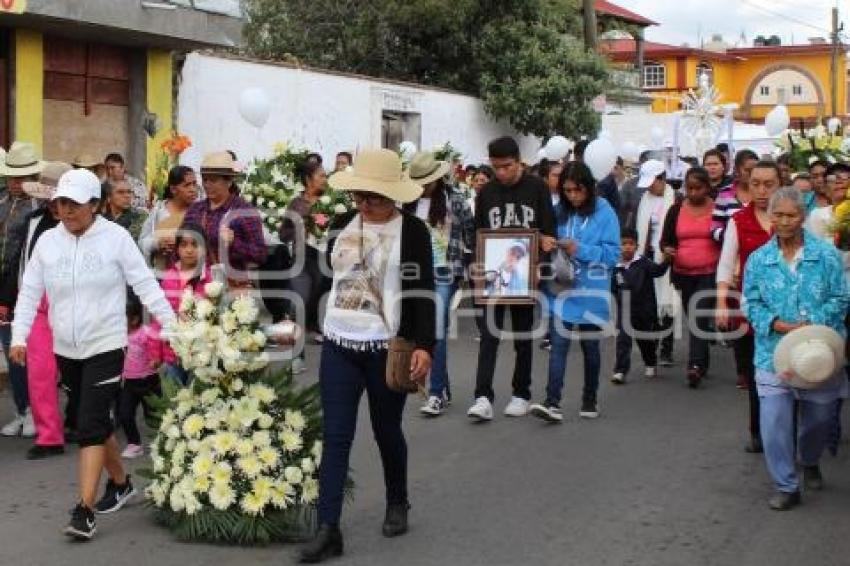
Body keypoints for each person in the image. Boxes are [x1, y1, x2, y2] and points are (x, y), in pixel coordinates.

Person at [9, 169, 176, 540]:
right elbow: (30, 292)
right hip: (65, 348)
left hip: (105, 344)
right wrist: (19, 336)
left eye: (74, 204)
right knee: (95, 424)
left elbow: (145, 285)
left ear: (96, 205)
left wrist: (172, 327)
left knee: (88, 425)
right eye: (61, 204)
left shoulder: (116, 239)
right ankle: (121, 483)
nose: (66, 211)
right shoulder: (48, 243)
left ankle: (84, 509)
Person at [298, 149, 434, 563]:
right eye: (360, 196)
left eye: (374, 197)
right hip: (339, 344)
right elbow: (328, 278)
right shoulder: (342, 224)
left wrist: (425, 345)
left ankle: (398, 502)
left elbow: (423, 290)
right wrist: (296, 317)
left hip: (385, 347)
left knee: (386, 429)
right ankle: (328, 529)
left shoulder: (412, 231)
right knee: (336, 437)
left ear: (394, 196)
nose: (365, 205)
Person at [742, 186, 849, 510]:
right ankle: (786, 484)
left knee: (818, 419)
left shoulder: (825, 255)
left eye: (791, 215)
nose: (785, 221)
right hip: (772, 354)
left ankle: (810, 458)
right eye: (778, 215)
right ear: (771, 217)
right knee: (773, 421)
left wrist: (811, 323)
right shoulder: (759, 260)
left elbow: (841, 298)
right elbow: (750, 301)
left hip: (820, 353)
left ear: (803, 216)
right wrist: (775, 323)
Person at [467, 136, 556, 422]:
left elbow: (549, 232)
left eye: (506, 166)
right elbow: (478, 233)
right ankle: (482, 396)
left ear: (519, 161)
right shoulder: (486, 192)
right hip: (493, 274)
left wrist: (542, 254)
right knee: (489, 336)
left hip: (525, 275)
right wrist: (476, 267)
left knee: (522, 335)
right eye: (496, 168)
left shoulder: (538, 188)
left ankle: (521, 393)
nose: (501, 173)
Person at [529, 162, 620, 422]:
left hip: (593, 291)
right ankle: (552, 402)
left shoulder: (605, 213)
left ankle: (589, 399)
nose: (572, 196)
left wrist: (580, 250)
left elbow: (613, 255)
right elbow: (545, 239)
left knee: (591, 349)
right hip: (563, 289)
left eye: (576, 190)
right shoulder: (559, 212)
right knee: (558, 346)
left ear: (589, 188)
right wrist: (547, 242)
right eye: (566, 190)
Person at [0, 161, 70, 458]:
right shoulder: (32, 220)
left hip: (72, 302)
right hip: (36, 303)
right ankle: (49, 436)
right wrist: (8, 298)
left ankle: (88, 419)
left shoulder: (81, 222)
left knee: (75, 370)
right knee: (39, 370)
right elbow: (18, 261)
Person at [404, 152, 475, 417]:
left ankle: (436, 394)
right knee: (422, 329)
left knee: (437, 330)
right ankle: (441, 387)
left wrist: (469, 268)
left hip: (445, 271)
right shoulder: (406, 200)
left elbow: (472, 231)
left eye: (426, 180)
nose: (422, 186)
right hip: (413, 273)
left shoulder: (454, 199)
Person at [716, 161, 781, 452]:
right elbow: (726, 264)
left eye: (769, 184)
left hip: (790, 311)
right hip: (750, 310)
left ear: (781, 185)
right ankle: (759, 432)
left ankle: (789, 434)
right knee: (756, 375)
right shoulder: (738, 221)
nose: (762, 190)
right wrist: (720, 302)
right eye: (756, 183)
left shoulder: (790, 219)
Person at [661, 167, 720, 388]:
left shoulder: (717, 210)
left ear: (707, 188)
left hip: (710, 271)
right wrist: (667, 250)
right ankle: (702, 360)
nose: (693, 193)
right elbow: (666, 239)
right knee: (694, 316)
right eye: (689, 188)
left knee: (698, 315)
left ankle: (694, 365)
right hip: (683, 273)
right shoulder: (676, 210)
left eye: (698, 188)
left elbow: (724, 238)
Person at [0, 141, 42, 438]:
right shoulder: (1, 201)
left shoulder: (41, 211)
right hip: (1, 290)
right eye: (12, 176)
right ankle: (20, 410)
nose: (16, 183)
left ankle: (34, 411)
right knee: (8, 348)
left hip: (23, 288)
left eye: (22, 177)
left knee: (23, 351)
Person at [182, 151, 266, 287]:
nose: (207, 185)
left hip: (232, 287)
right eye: (205, 179)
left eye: (213, 180)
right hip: (197, 286)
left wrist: (234, 243)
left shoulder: (244, 211)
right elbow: (181, 245)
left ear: (229, 181)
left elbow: (260, 254)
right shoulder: (195, 210)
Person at [154, 225, 213, 386]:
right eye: (184, 244)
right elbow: (159, 317)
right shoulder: (170, 278)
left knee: (199, 397)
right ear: (177, 249)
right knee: (175, 399)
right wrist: (156, 352)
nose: (189, 250)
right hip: (173, 352)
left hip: (201, 352)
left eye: (195, 245)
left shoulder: (210, 278)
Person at [611, 227, 670, 384]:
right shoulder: (616, 267)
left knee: (644, 340)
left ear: (636, 246)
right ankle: (620, 370)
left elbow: (658, 272)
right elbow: (612, 287)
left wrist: (667, 260)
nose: (627, 247)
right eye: (624, 244)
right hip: (625, 310)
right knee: (623, 340)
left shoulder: (643, 263)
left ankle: (650, 362)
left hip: (644, 308)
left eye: (631, 243)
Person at [635, 159, 678, 366]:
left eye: (653, 182)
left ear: (662, 179)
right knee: (650, 301)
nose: (651, 187)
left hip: (669, 256)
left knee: (668, 300)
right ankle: (653, 341)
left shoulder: (675, 199)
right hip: (649, 255)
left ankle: (666, 348)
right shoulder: (645, 199)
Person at [285, 160, 329, 354]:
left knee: (319, 293)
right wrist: (301, 227)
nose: (325, 179)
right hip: (301, 258)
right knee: (300, 298)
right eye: (321, 175)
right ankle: (297, 353)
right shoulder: (296, 203)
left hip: (323, 259)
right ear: (308, 180)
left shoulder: (332, 201)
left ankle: (315, 326)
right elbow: (283, 233)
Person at [117, 300, 162, 459]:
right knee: (125, 414)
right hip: (129, 382)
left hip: (148, 381)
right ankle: (134, 444)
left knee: (153, 416)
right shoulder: (120, 336)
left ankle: (161, 443)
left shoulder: (146, 333)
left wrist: (155, 359)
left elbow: (155, 349)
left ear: (134, 319)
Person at [139, 165, 199, 269]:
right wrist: (157, 243)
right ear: (173, 189)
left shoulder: (199, 211)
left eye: (194, 184)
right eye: (187, 185)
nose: (193, 189)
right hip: (163, 274)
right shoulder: (159, 211)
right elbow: (142, 242)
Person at [711, 149, 758, 242]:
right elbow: (715, 228)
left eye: (755, 170)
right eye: (747, 170)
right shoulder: (725, 194)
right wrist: (732, 236)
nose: (752, 174)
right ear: (737, 170)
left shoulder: (763, 193)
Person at [618, 151, 651, 229]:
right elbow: (621, 206)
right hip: (634, 230)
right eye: (645, 163)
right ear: (641, 164)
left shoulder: (662, 186)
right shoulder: (630, 185)